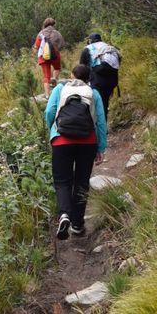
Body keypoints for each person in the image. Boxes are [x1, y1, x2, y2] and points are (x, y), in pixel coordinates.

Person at [45, 64, 107, 240]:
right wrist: (101, 148)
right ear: (89, 78)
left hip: (61, 140)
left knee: (62, 181)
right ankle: (78, 225)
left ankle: (64, 214)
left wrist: (53, 130)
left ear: (72, 76)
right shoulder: (93, 93)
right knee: (81, 182)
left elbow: (49, 111)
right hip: (87, 141)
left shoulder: (60, 88)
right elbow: (101, 122)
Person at [79, 32, 121, 119]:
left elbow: (82, 67)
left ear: (90, 40)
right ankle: (104, 122)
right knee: (104, 101)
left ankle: (97, 123)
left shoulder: (88, 48)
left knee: (97, 103)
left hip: (98, 80)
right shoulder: (108, 47)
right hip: (112, 80)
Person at [33, 18, 64, 96]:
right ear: (53, 24)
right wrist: (56, 48)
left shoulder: (41, 33)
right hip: (55, 55)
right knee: (57, 68)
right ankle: (54, 82)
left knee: (46, 76)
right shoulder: (57, 33)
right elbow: (62, 44)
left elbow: (36, 46)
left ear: (45, 24)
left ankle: (47, 95)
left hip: (43, 56)